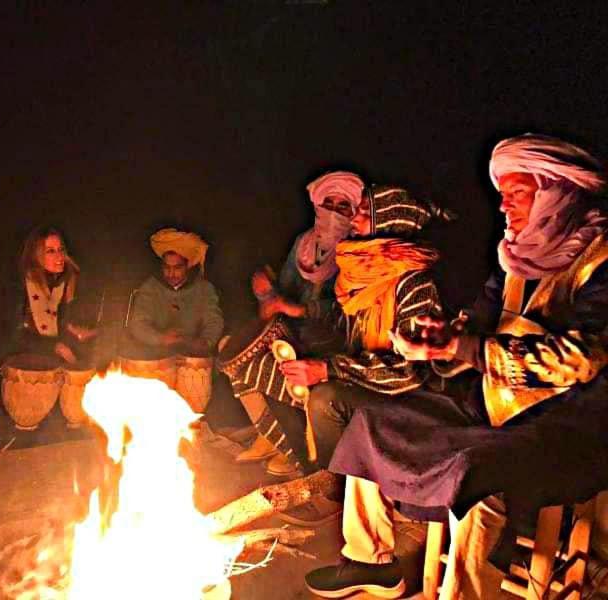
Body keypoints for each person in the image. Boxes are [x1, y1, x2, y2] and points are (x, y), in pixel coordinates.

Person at [304, 134, 608, 600]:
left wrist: (464, 348)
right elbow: (478, 321)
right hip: (488, 407)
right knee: (373, 423)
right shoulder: (516, 258)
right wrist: (437, 338)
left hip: (567, 424)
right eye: (501, 195)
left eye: (517, 194)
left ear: (557, 193)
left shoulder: (600, 263)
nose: (504, 207)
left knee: (477, 470)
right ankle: (371, 562)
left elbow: (583, 360)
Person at [233, 171, 363, 475]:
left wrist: (294, 309)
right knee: (235, 354)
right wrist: (267, 293)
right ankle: (273, 438)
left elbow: (345, 310)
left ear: (353, 213)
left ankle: (304, 458)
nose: (333, 212)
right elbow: (284, 293)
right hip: (293, 333)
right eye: (328, 203)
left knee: (296, 381)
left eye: (342, 206)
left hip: (332, 342)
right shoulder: (303, 244)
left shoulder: (358, 252)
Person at [2, 226, 95, 365]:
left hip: (59, 364)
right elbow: (14, 335)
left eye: (60, 250)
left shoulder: (69, 282)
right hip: (27, 362)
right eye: (50, 251)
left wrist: (79, 333)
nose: (59, 256)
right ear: (36, 255)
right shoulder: (20, 285)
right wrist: (53, 347)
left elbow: (67, 326)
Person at [126, 228, 224, 357]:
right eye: (167, 267)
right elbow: (138, 324)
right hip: (155, 357)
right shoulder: (150, 288)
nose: (171, 274)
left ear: (187, 266)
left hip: (193, 358)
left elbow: (214, 321)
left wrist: (204, 342)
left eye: (177, 268)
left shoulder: (204, 290)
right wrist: (161, 338)